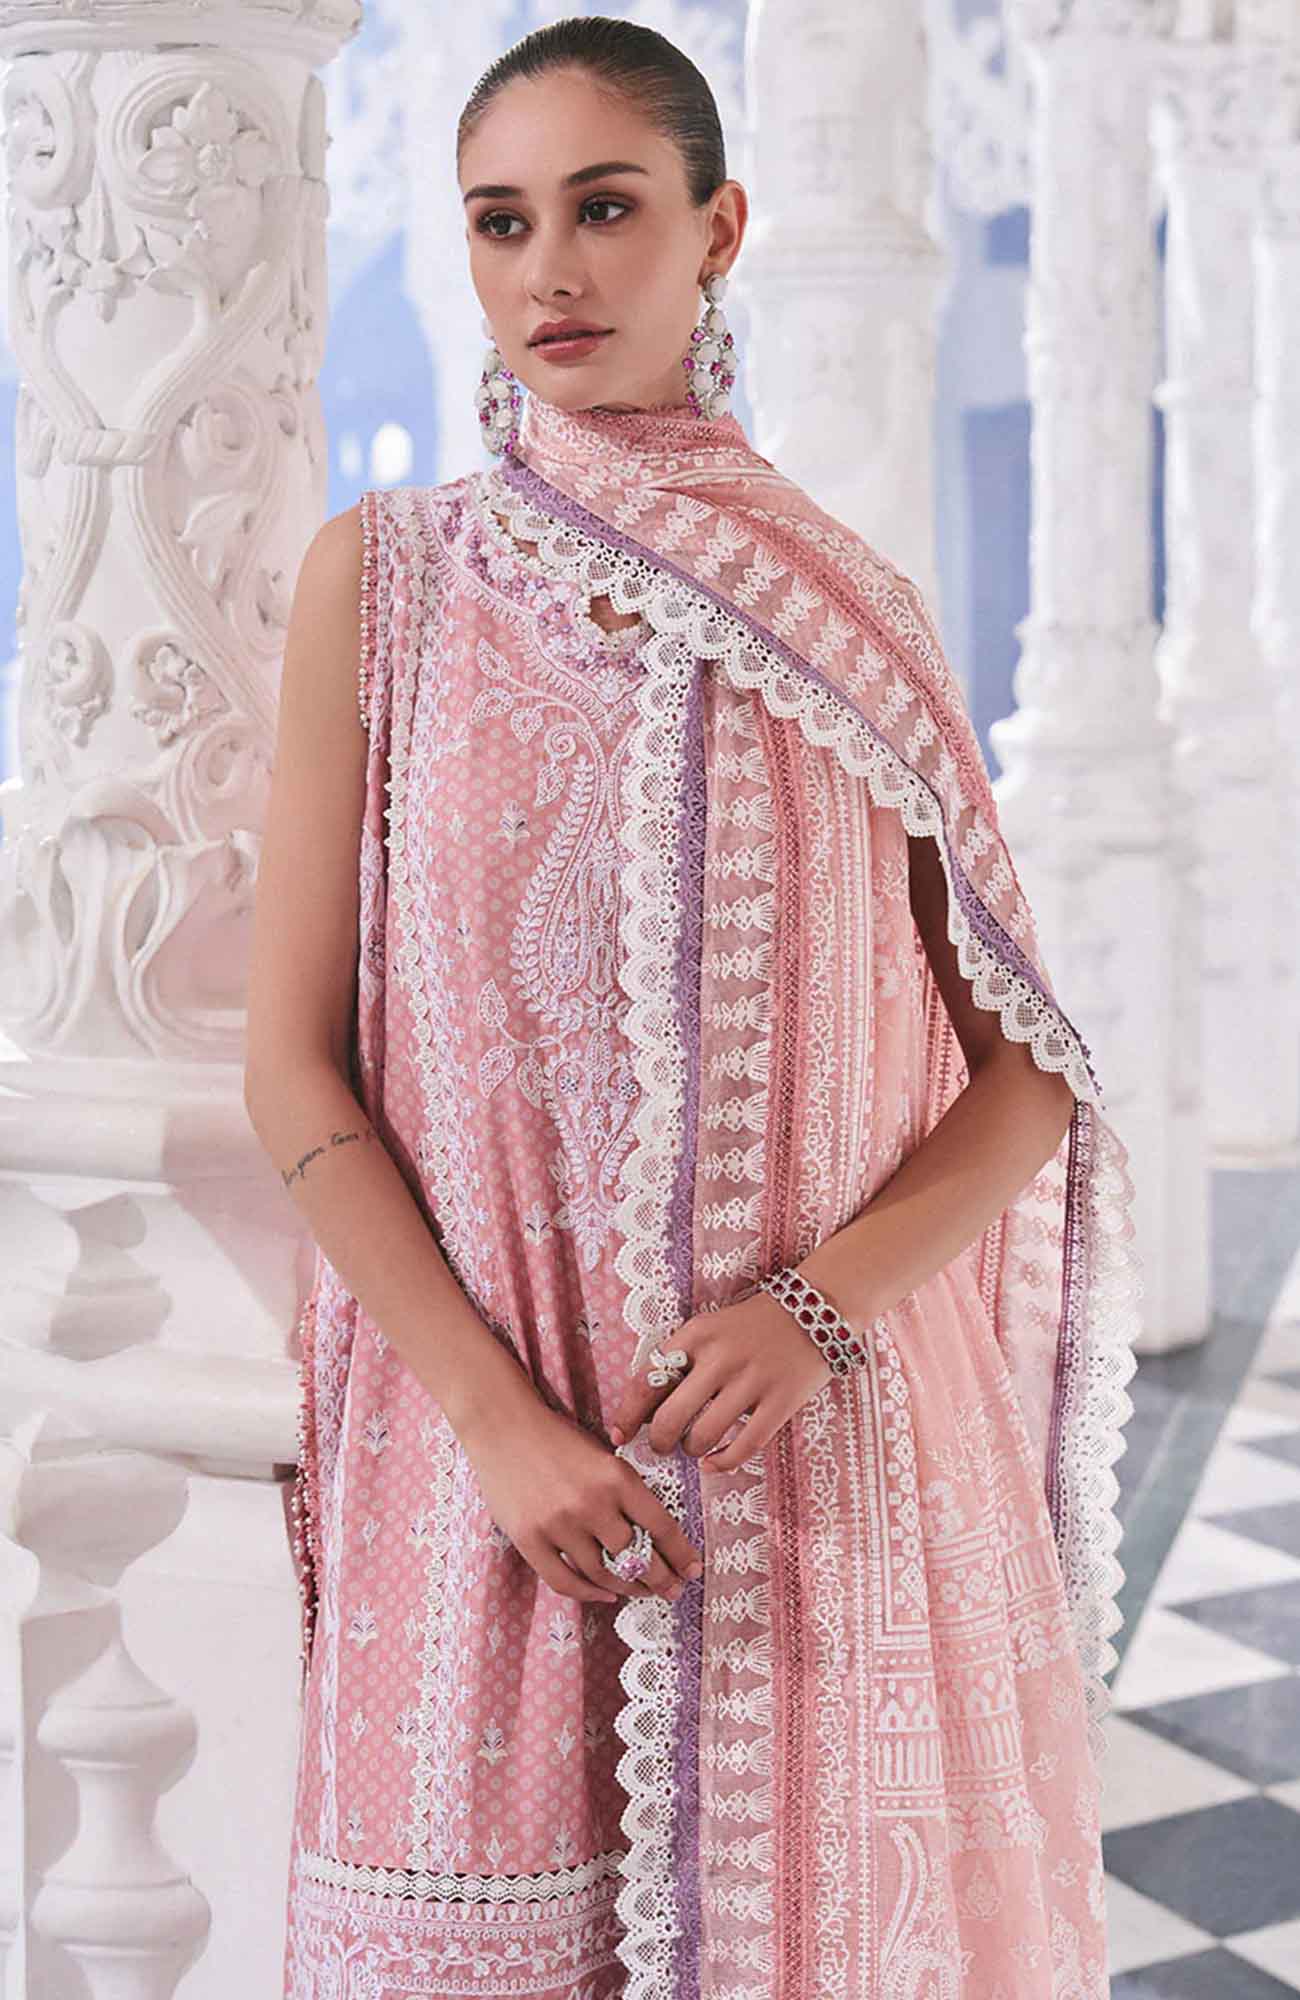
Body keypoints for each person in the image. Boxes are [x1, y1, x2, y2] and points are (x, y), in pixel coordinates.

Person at [245, 16, 1143, 1998]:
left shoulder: (845, 617)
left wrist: (815, 1312)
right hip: (478, 1478)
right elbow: (292, 1068)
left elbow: (1027, 1077)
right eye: (499, 221)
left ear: (717, 229)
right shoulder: (385, 586)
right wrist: (497, 1428)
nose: (550, 270)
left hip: (807, 1486)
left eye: (605, 208)